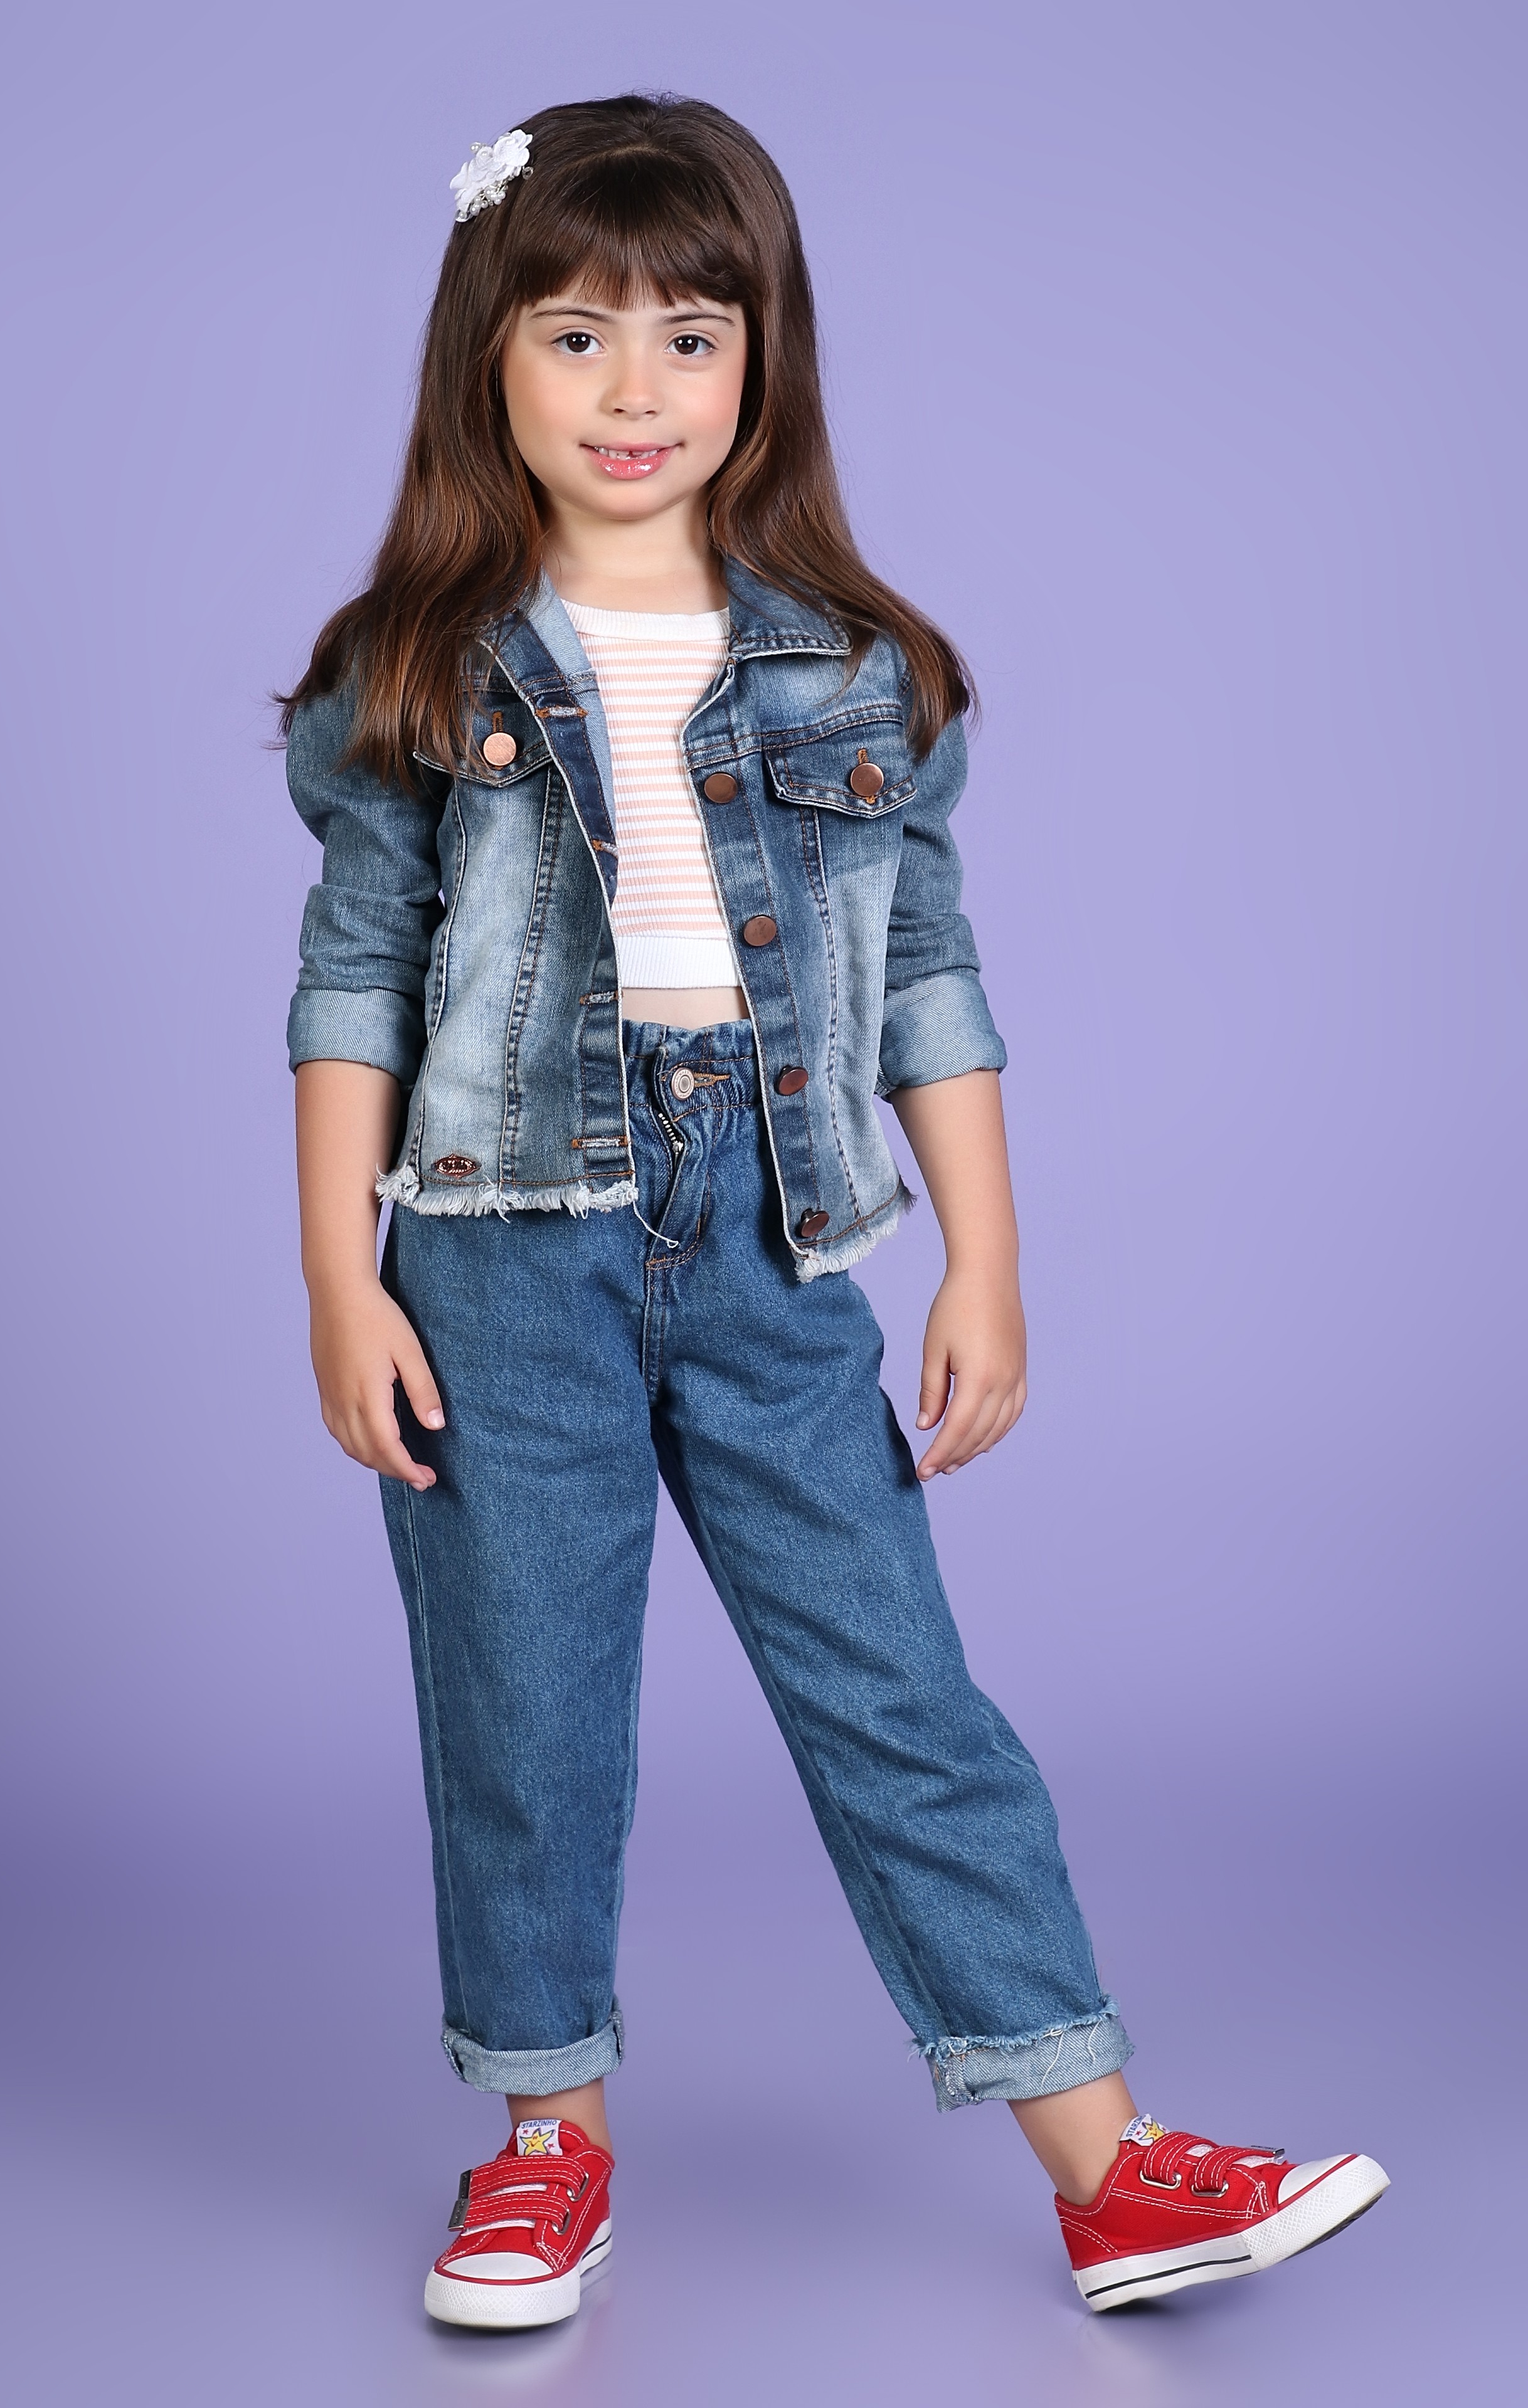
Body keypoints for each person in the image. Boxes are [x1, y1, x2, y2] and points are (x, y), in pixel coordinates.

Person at [280, 95, 1386, 2328]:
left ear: (761, 360)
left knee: (898, 1690)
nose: (634, 392)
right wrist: (333, 1279)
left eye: (689, 338)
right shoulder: (416, 664)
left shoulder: (858, 666)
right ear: (486, 355)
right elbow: (355, 978)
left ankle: (1107, 2169)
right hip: (495, 1249)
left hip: (774, 1238)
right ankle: (543, 2150)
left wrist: (987, 1257)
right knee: (524, 1709)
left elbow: (928, 976)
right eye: (575, 335)